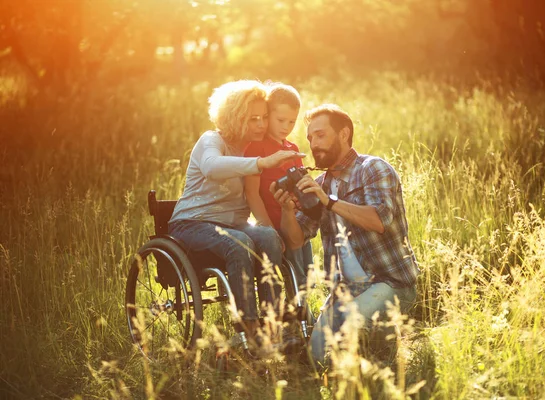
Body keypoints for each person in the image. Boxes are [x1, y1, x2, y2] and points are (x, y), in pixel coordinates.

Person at [271, 104, 419, 367]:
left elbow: (379, 221)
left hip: (390, 283)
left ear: (343, 134)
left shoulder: (373, 168)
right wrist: (286, 210)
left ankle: (380, 353)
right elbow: (295, 240)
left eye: (321, 135)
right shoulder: (320, 185)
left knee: (348, 333)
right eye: (310, 138)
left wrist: (328, 201)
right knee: (316, 358)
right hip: (345, 292)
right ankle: (375, 348)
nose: (314, 144)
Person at [168, 80, 305, 339]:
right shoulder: (211, 141)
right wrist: (261, 162)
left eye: (264, 117)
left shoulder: (253, 148)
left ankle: (273, 323)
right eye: (253, 119)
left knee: (267, 236)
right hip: (193, 223)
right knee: (239, 241)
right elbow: (211, 167)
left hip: (232, 224)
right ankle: (249, 328)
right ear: (235, 117)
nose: (261, 125)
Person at [244, 83, 313, 288]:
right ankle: (290, 314)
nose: (286, 127)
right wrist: (269, 232)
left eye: (292, 121)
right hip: (273, 225)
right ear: (268, 115)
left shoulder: (293, 148)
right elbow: (252, 194)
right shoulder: (256, 148)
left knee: (304, 277)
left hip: (295, 222)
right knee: (288, 277)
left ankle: (304, 313)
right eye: (281, 120)